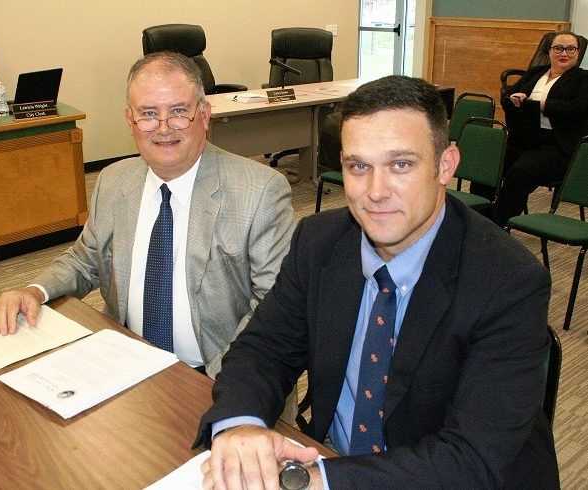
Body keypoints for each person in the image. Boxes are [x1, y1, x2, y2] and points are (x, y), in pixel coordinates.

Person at [195, 76, 559, 489]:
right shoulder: (319, 241)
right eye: (358, 166)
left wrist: (316, 481)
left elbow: (470, 459)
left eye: (400, 164)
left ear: (445, 165)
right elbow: (265, 348)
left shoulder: (508, 281)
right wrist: (241, 424)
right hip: (334, 456)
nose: (375, 192)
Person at [0, 51, 295, 380]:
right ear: (130, 121)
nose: (163, 128)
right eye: (148, 114)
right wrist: (34, 291)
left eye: (179, 111)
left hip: (216, 374)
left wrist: (209, 385)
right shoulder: (113, 181)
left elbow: (273, 306)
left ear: (204, 115)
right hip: (125, 364)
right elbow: (85, 259)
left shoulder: (260, 191)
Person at [496, 30, 588, 225]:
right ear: (550, 51)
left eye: (570, 49)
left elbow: (578, 109)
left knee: (519, 172)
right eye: (559, 48)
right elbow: (507, 95)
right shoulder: (536, 72)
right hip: (524, 139)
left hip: (557, 146)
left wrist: (542, 104)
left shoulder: (583, 79)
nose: (564, 53)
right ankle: (478, 214)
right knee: (490, 162)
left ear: (578, 53)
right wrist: (513, 99)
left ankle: (498, 223)